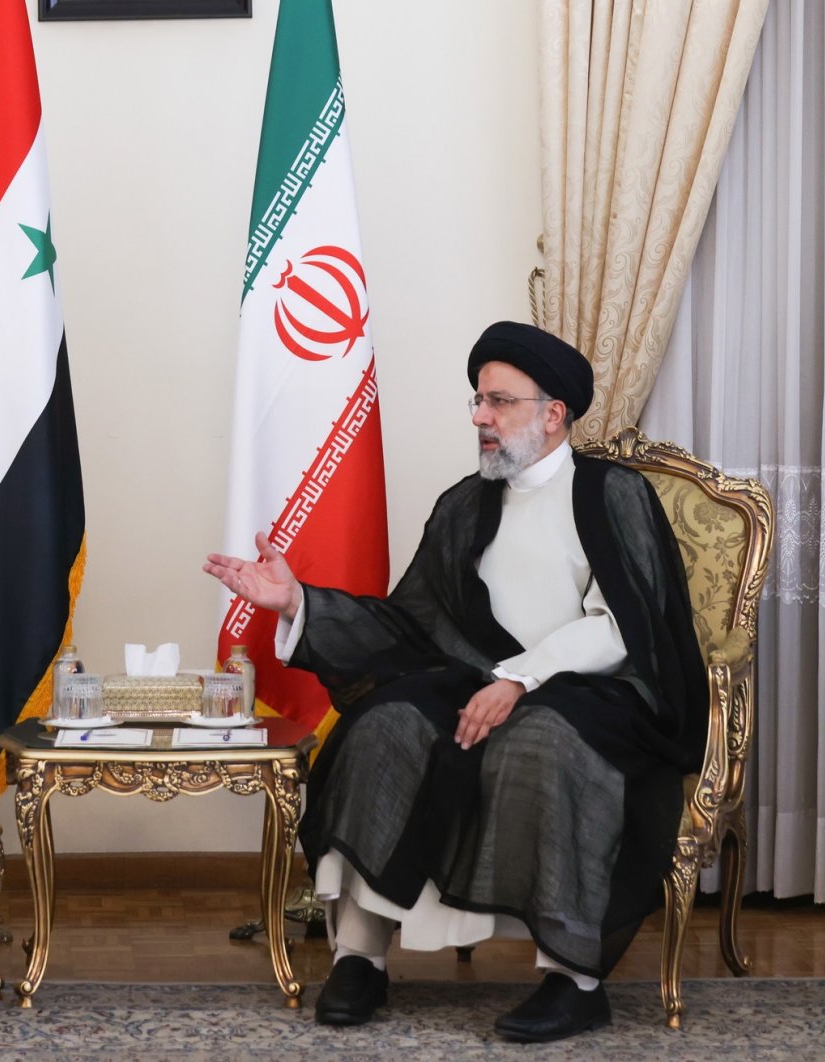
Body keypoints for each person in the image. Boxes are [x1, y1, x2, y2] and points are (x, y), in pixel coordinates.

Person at [203, 321, 706, 1043]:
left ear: (553, 412)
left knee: (541, 744)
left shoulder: (612, 494)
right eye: (478, 401)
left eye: (499, 402)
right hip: (475, 683)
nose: (479, 417)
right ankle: (359, 958)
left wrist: (519, 680)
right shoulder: (464, 505)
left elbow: (621, 624)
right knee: (384, 726)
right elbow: (411, 626)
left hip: (595, 694)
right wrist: (299, 604)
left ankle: (575, 979)